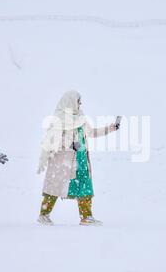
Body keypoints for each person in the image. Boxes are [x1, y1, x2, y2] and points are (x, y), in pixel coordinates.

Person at [36, 90, 120, 226]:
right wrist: (69, 144)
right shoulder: (59, 120)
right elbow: (51, 142)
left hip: (80, 159)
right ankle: (44, 214)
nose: (80, 104)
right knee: (55, 186)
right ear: (70, 102)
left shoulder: (81, 119)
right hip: (62, 161)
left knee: (85, 185)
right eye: (78, 101)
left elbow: (92, 133)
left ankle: (86, 217)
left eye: (80, 101)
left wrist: (111, 128)